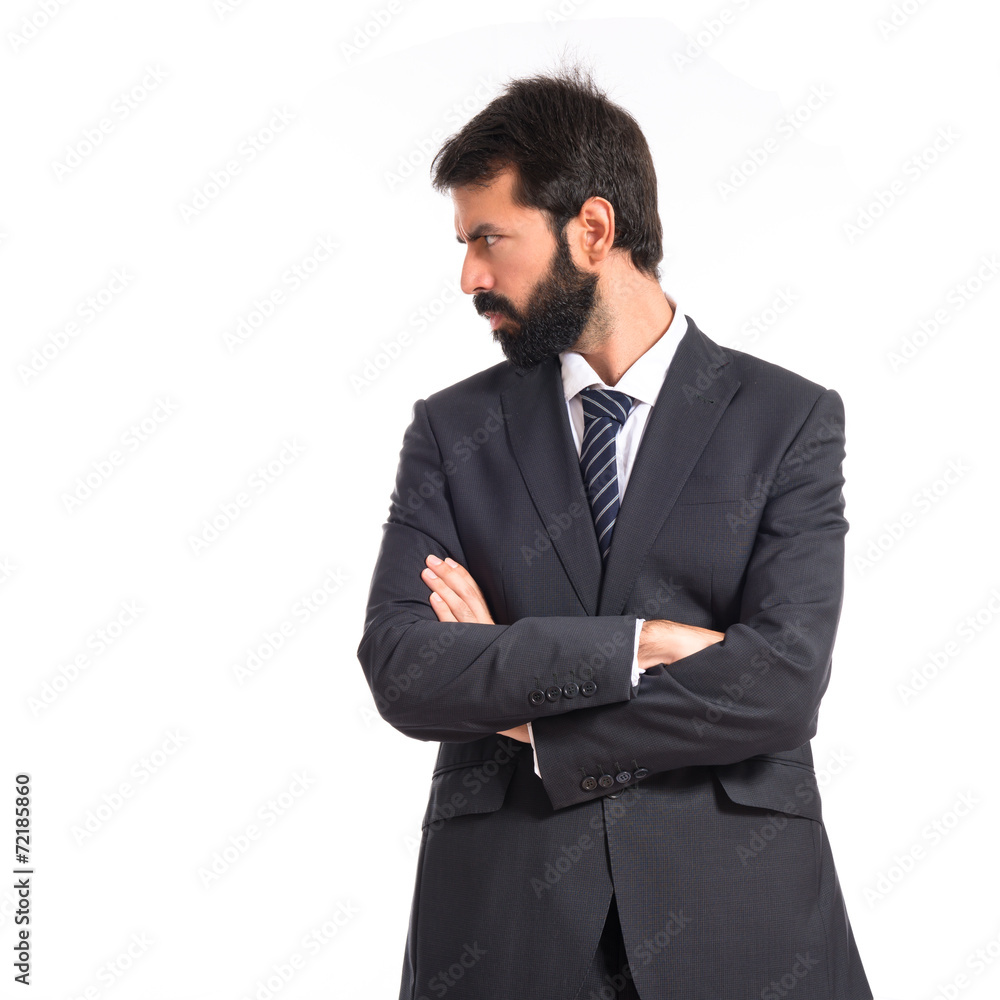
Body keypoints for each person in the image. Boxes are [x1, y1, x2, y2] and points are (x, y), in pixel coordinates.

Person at [357, 64, 873, 1000]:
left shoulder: (788, 420)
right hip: (503, 926)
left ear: (592, 230)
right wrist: (639, 645)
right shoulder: (451, 429)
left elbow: (781, 684)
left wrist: (527, 710)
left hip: (740, 919)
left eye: (489, 238)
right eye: (465, 244)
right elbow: (403, 666)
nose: (470, 276)